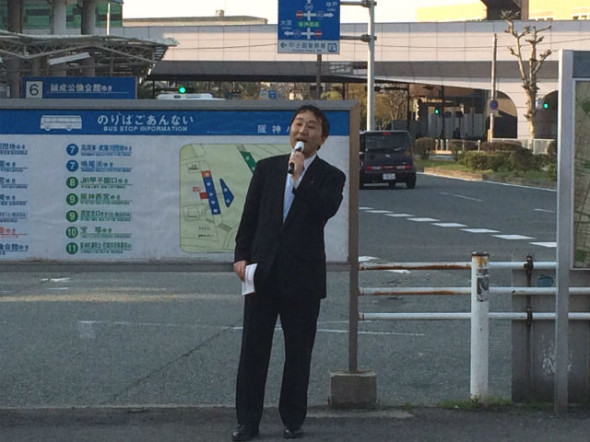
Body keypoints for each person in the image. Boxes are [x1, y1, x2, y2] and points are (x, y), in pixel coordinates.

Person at [231, 104, 346, 441]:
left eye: (311, 126)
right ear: (290, 130)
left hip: (303, 278)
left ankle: (293, 419)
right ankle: (247, 421)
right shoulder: (267, 169)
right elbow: (250, 217)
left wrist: (298, 178)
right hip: (262, 273)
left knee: (298, 353)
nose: (302, 131)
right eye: (298, 124)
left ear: (322, 139)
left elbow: (325, 209)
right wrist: (241, 256)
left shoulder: (331, 176)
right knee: (253, 351)